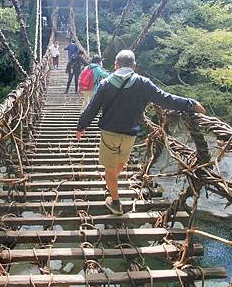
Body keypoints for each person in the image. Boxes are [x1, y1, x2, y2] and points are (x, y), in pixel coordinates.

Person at [76, 49, 206, 215]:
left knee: (109, 169)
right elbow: (166, 99)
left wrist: (81, 127)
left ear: (115, 65)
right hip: (130, 134)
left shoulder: (105, 83)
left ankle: (115, 202)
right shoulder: (143, 83)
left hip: (109, 133)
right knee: (121, 163)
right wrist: (190, 103)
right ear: (134, 66)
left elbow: (92, 109)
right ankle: (112, 183)